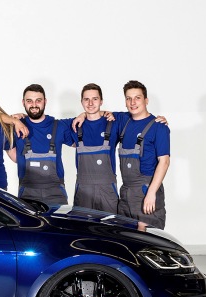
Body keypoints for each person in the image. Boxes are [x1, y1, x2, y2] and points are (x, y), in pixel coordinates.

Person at [116, 80, 170, 229]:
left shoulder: (159, 127)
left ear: (146, 100)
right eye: (128, 98)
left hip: (146, 191)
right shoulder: (124, 121)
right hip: (126, 193)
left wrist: (151, 193)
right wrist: (82, 115)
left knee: (146, 238)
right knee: (125, 237)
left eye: (137, 98)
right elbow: (96, 112)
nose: (132, 102)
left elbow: (164, 162)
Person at [65, 83, 120, 213]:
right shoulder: (74, 124)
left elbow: (137, 116)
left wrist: (158, 119)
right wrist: (20, 119)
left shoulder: (114, 122)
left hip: (107, 191)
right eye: (86, 99)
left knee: (110, 225)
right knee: (82, 224)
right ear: (81, 102)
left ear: (101, 101)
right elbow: (44, 123)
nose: (90, 103)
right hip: (83, 191)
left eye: (95, 99)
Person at [14, 84, 70, 205]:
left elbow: (89, 118)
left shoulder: (59, 126)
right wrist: (12, 120)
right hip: (27, 194)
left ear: (45, 101)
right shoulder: (16, 127)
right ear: (23, 102)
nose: (34, 105)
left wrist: (87, 114)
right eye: (29, 101)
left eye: (38, 100)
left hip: (56, 193)